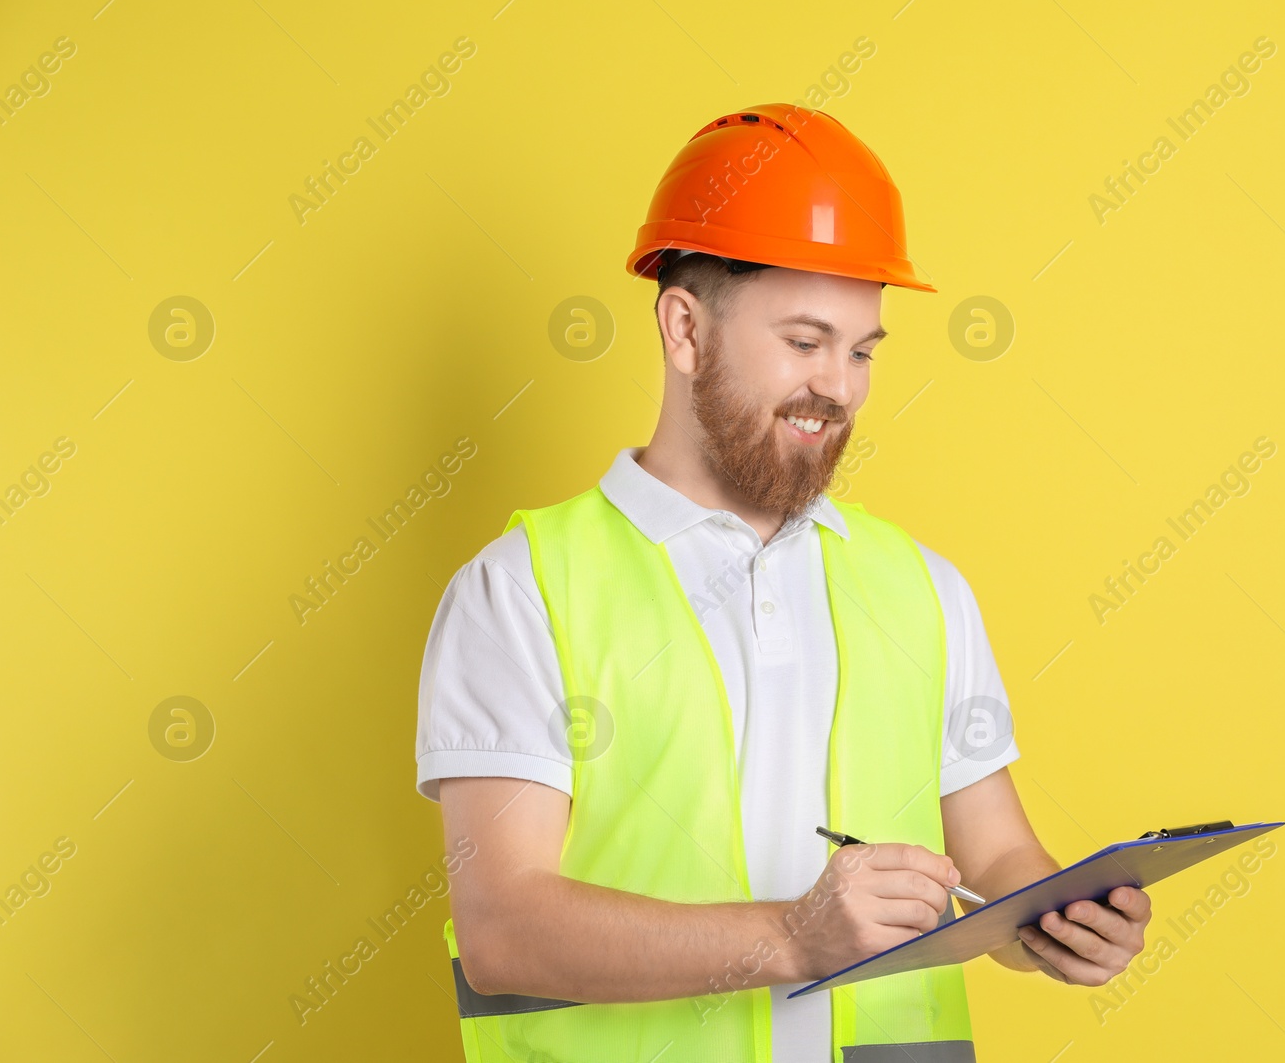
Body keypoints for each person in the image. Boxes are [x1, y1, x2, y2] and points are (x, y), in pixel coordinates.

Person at [415, 102, 1150, 1063]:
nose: (838, 386)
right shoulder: (523, 591)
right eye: (804, 342)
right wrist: (795, 939)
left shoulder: (919, 587)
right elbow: (504, 927)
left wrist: (1058, 915)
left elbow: (997, 852)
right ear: (685, 329)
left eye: (862, 350)